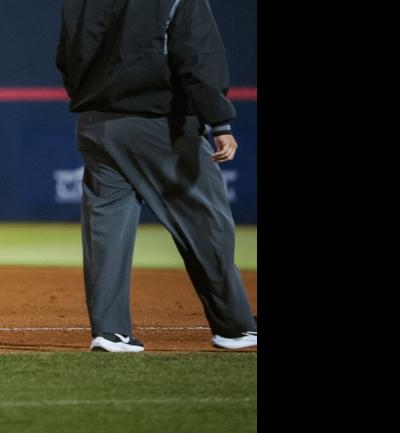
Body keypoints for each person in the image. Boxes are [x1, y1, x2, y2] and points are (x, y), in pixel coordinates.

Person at [56, 0, 257, 352]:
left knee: (107, 231)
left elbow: (66, 56)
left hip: (96, 123)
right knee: (207, 222)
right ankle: (235, 326)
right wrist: (219, 121)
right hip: (159, 124)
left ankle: (110, 331)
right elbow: (198, 54)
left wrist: (93, 99)